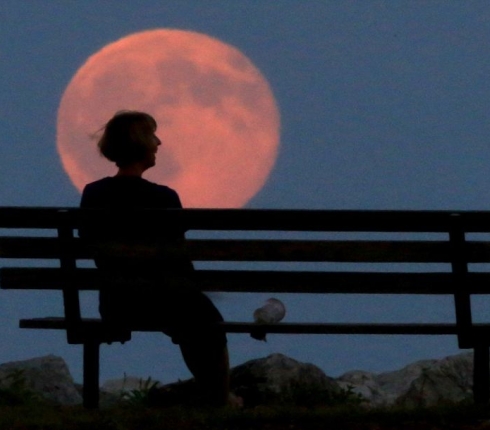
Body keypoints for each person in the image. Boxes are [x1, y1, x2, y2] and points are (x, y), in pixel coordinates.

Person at [79, 110, 231, 406]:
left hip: (117, 303)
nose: (159, 142)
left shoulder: (93, 194)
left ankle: (215, 397)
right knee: (206, 321)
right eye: (153, 136)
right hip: (164, 299)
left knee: (193, 317)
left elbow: (91, 246)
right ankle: (221, 399)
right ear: (140, 144)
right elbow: (177, 256)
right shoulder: (164, 198)